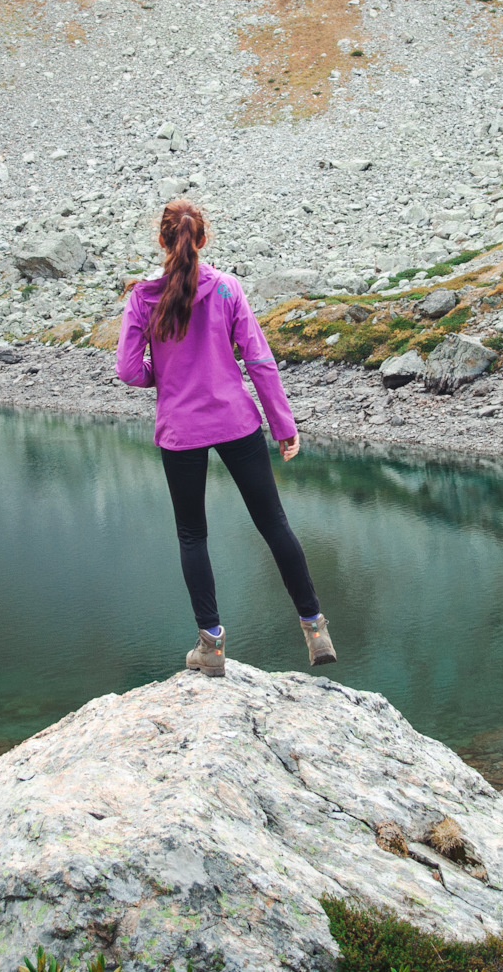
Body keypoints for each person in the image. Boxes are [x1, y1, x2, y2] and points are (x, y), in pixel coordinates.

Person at [116, 199, 335, 677]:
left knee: (193, 535)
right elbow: (259, 361)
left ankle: (210, 646)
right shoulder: (227, 288)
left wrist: (165, 376)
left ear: (162, 240)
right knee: (273, 522)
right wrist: (284, 425)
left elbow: (129, 370)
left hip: (180, 431)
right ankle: (314, 626)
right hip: (237, 421)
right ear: (202, 239)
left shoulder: (141, 298)